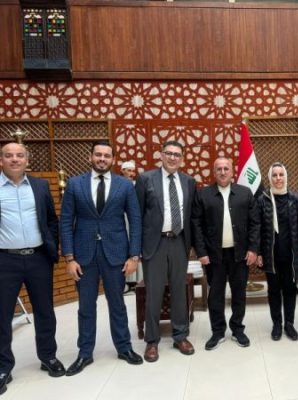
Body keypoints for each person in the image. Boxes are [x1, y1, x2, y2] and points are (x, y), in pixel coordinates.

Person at [60, 141, 143, 376]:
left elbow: (135, 220)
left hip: (115, 254)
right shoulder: (75, 184)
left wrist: (134, 255)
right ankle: (85, 353)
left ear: (113, 160)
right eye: (98, 155)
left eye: (107, 156)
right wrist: (69, 258)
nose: (102, 159)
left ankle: (124, 348)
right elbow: (65, 221)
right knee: (86, 307)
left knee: (117, 304)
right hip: (83, 256)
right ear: (90, 157)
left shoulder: (124, 185)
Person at [0, 143, 66, 395]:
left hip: (38, 258)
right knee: (2, 315)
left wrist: (52, 247)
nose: (15, 159)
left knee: (45, 311)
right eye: (9, 155)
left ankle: (48, 357)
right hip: (5, 261)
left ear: (27, 160)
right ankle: (3, 367)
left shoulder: (39, 186)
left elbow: (51, 219)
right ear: (1, 160)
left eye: (20, 155)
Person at [135, 141, 197, 361]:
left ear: (182, 158)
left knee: (179, 290)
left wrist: (193, 245)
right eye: (168, 153)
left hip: (179, 242)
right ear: (160, 155)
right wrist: (136, 248)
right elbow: (137, 215)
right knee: (154, 292)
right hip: (155, 244)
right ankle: (152, 341)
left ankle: (180, 335)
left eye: (177, 154)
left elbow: (192, 216)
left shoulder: (189, 181)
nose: (172, 158)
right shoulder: (145, 179)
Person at [192, 157, 260, 350]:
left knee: (239, 293)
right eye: (219, 169)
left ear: (232, 172)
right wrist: (201, 252)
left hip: (240, 254)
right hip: (214, 256)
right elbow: (196, 225)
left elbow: (255, 223)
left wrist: (253, 249)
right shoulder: (203, 195)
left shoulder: (245, 193)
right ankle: (218, 331)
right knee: (215, 294)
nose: (223, 172)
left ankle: (238, 329)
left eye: (226, 169)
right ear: (214, 172)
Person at [257, 163, 298, 341]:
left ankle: (289, 324)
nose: (278, 178)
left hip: (291, 254)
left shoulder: (295, 199)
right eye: (275, 175)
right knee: (273, 291)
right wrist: (259, 252)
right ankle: (277, 324)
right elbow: (258, 229)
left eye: (281, 175)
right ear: (270, 178)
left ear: (285, 177)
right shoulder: (262, 200)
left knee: (290, 289)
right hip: (270, 254)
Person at [121, 160, 142, 293]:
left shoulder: (137, 186)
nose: (131, 173)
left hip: (134, 220)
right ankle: (125, 282)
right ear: (122, 171)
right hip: (122, 220)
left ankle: (137, 283)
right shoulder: (118, 184)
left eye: (133, 171)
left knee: (135, 249)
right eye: (128, 170)